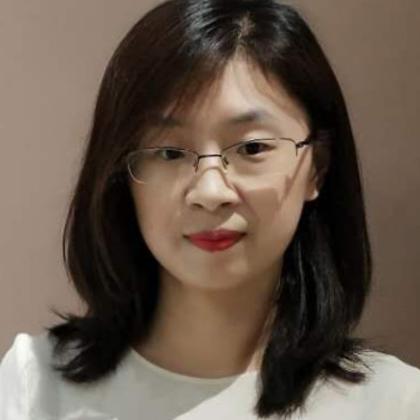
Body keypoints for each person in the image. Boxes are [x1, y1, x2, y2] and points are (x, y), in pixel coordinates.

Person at [1, 0, 420, 419]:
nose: (210, 191)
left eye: (252, 148)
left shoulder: (394, 404)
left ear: (317, 167)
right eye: (169, 152)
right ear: (120, 175)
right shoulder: (36, 387)